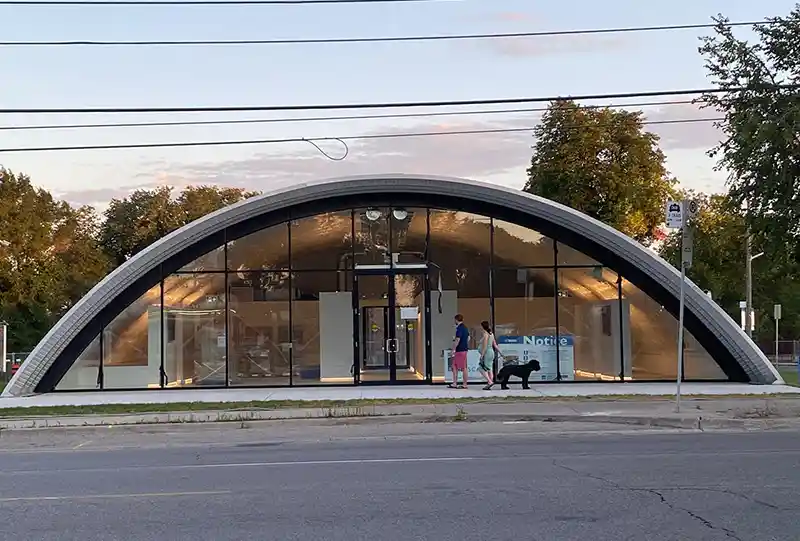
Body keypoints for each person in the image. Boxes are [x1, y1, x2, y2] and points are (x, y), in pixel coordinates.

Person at [448, 314, 470, 389]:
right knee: (455, 366)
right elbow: (468, 338)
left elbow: (457, 340)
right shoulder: (465, 328)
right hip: (464, 349)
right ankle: (456, 383)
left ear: (456, 320)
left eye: (455, 320)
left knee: (462, 367)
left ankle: (463, 384)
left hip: (460, 350)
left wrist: (453, 349)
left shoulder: (459, 329)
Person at [478, 320, 498, 390]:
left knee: (481, 368)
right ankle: (489, 383)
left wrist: (482, 355)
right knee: (489, 369)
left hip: (487, 353)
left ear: (482, 327)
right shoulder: (491, 334)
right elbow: (495, 344)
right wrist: (500, 353)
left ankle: (489, 382)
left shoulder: (485, 334)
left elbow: (485, 346)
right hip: (491, 352)